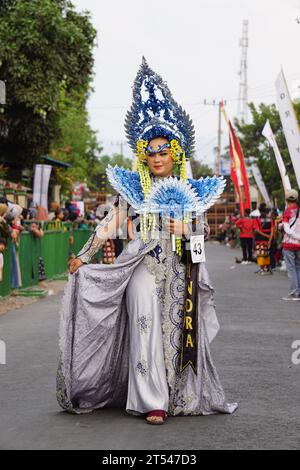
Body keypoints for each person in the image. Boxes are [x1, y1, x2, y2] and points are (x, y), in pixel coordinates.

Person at [57, 58, 237, 425]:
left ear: (176, 153)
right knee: (145, 323)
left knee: (173, 334)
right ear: (144, 155)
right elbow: (111, 225)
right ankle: (151, 400)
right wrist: (83, 255)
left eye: (163, 150)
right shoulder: (133, 191)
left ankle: (176, 395)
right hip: (140, 266)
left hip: (179, 271)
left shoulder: (192, 196)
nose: (157, 157)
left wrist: (185, 233)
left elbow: (200, 249)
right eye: (150, 151)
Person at [281, 189, 300, 300]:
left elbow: (286, 229)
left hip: (289, 243)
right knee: (298, 267)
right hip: (299, 245)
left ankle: (294, 293)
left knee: (291, 268)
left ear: (287, 199)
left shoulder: (288, 211)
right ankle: (299, 291)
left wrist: (297, 237)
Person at [254, 208, 274, 274]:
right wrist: (270, 239)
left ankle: (262, 269)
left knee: (261, 254)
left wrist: (266, 236)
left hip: (260, 239)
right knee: (267, 254)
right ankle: (267, 268)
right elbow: (272, 231)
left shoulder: (257, 219)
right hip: (268, 239)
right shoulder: (270, 220)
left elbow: (257, 230)